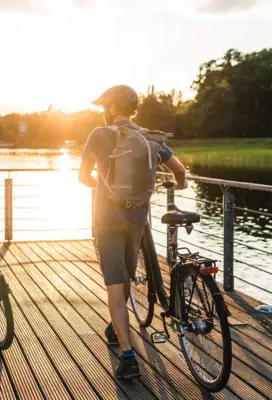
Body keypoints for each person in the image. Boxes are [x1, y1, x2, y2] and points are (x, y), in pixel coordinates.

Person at [78, 85, 187, 379]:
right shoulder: (149, 137)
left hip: (108, 220)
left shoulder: (99, 135)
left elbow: (82, 176)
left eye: (105, 107)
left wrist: (104, 189)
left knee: (115, 285)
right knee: (125, 276)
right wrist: (178, 187)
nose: (103, 112)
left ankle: (128, 357)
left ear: (112, 108)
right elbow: (180, 171)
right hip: (137, 219)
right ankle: (116, 327)